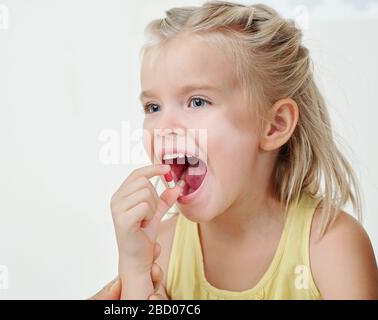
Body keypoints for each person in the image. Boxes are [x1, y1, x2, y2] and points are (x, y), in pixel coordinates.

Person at [108, 1, 378, 299]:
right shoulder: (161, 248)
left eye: (197, 101)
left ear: (274, 125)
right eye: (153, 107)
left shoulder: (332, 248)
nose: (164, 126)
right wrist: (134, 272)